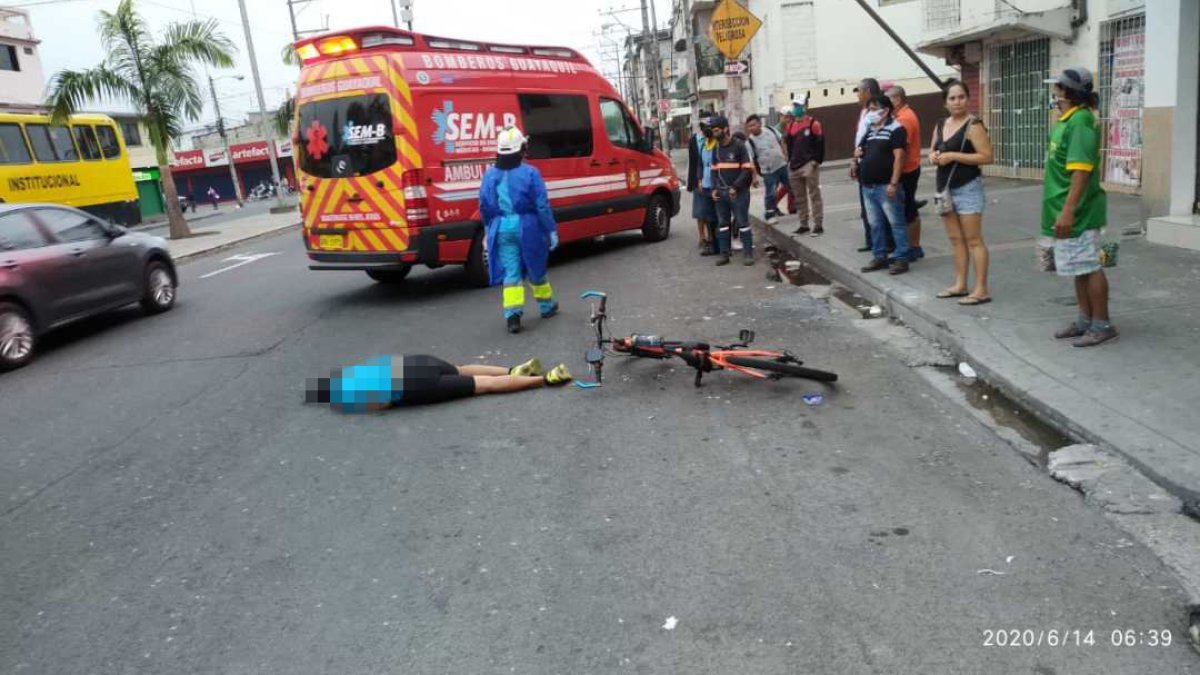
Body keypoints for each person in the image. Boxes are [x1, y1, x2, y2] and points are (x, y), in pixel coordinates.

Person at [1041, 67, 1115, 347]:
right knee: (1078, 267)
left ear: (1067, 92)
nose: (1054, 92)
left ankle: (1102, 324)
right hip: (1064, 209)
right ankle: (1086, 320)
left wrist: (1068, 209)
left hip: (1079, 211)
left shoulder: (1081, 121)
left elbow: (1081, 171)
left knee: (1090, 266)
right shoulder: (1067, 119)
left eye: (1057, 88)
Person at [479, 125, 560, 334]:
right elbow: (541, 205)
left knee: (511, 273)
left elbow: (485, 206)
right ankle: (547, 306)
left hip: (502, 226)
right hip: (528, 226)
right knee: (536, 267)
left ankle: (512, 315)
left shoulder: (490, 175)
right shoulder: (531, 173)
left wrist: (489, 231)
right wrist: (550, 229)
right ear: (521, 149)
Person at [306, 355, 573, 413]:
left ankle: (544, 380)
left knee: (481, 385)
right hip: (419, 362)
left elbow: (385, 400)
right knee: (463, 368)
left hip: (420, 384)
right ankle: (513, 368)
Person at [930, 79, 994, 305]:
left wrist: (954, 156)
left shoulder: (973, 125)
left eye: (961, 97)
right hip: (945, 189)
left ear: (967, 99)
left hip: (968, 187)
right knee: (956, 240)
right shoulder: (940, 124)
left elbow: (986, 156)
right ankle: (960, 284)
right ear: (945, 102)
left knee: (974, 240)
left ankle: (981, 289)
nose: (957, 102)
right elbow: (933, 151)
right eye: (952, 98)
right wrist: (934, 157)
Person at [857, 94, 910, 275]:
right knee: (875, 224)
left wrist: (893, 183)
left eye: (874, 109)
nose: (870, 113)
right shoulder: (870, 129)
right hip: (868, 186)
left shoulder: (896, 129)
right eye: (869, 109)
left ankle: (902, 258)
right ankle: (879, 256)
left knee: (896, 222)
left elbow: (899, 158)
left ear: (885, 110)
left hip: (885, 185)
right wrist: (855, 158)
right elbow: (861, 151)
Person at [707, 114, 755, 266]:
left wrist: (736, 187)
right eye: (713, 131)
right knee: (723, 223)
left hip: (738, 193)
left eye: (716, 131)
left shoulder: (739, 146)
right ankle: (724, 253)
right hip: (721, 193)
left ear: (725, 129)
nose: (714, 134)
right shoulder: (715, 149)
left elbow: (746, 169)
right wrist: (714, 189)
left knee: (742, 222)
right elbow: (714, 170)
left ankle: (748, 254)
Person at [851, 78, 890, 253]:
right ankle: (872, 242)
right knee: (867, 208)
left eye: (859, 91)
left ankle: (885, 245)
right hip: (862, 163)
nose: (857, 95)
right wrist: (855, 161)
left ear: (867, 92)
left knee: (879, 209)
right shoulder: (864, 112)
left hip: (875, 166)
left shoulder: (877, 112)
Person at [887, 85, 925, 260]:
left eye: (889, 99)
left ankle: (913, 246)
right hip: (909, 168)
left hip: (908, 170)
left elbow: (901, 150)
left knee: (908, 209)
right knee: (907, 208)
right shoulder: (902, 116)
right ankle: (911, 246)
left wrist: (894, 176)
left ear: (897, 99)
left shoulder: (904, 119)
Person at [784, 99, 826, 237]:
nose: (796, 108)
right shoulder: (790, 125)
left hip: (809, 164)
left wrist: (815, 161)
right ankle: (803, 224)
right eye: (794, 105)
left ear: (805, 106)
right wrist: (789, 162)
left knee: (814, 195)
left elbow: (820, 144)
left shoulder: (814, 123)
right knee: (799, 197)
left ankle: (818, 225)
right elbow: (789, 145)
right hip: (794, 165)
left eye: (799, 105)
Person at [744, 114, 790, 225]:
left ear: (760, 123)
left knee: (792, 186)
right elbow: (750, 162)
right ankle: (770, 214)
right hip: (768, 171)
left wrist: (785, 153)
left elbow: (781, 140)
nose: (751, 128)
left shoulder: (770, 130)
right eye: (749, 126)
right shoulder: (749, 142)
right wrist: (754, 177)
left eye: (754, 125)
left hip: (782, 165)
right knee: (771, 193)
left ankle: (801, 209)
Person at [686, 113, 719, 255]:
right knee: (700, 212)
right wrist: (692, 182)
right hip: (699, 181)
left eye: (709, 126)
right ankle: (703, 238)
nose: (706, 129)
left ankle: (716, 240)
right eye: (704, 126)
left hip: (715, 180)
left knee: (714, 213)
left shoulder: (715, 140)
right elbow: (693, 162)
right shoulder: (694, 140)